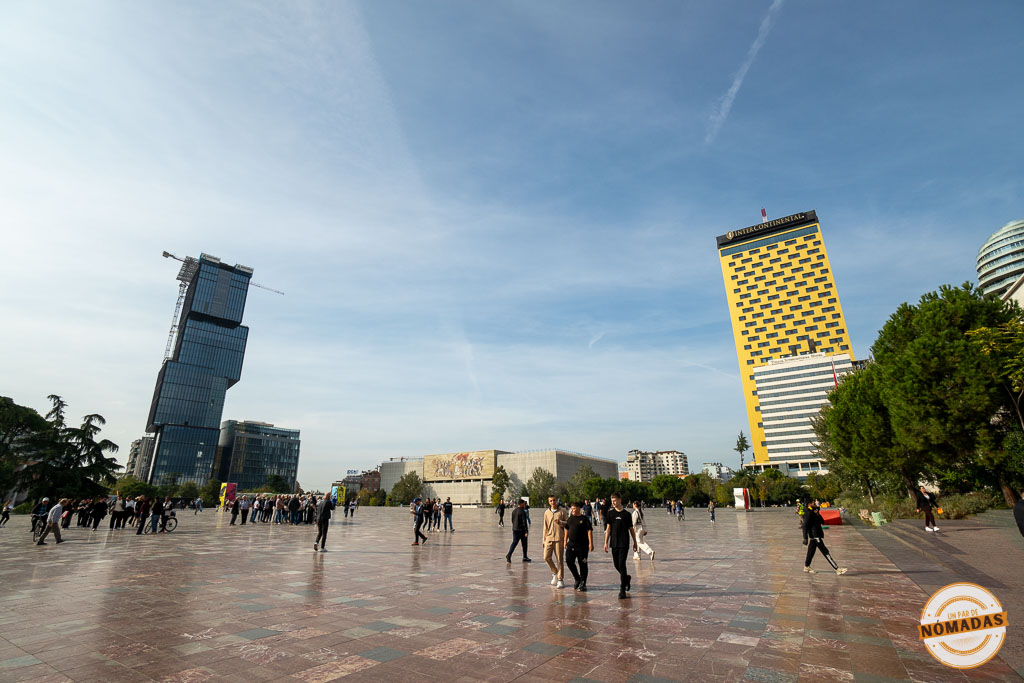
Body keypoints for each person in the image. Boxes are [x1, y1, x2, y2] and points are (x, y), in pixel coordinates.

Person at [603, 492, 638, 599]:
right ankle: (626, 578)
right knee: (616, 565)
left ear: (620, 500)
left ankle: (622, 589)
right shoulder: (610, 513)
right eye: (612, 501)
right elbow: (608, 529)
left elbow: (631, 529)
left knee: (622, 564)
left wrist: (635, 542)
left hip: (624, 543)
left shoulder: (626, 514)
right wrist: (606, 542)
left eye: (615, 500)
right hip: (614, 543)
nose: (613, 502)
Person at [803, 503, 847, 574]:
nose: (815, 504)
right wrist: (805, 537)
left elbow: (822, 522)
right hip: (815, 536)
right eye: (813, 503)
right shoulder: (809, 514)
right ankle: (837, 569)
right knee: (825, 552)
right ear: (809, 504)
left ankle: (806, 566)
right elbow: (804, 526)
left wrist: (818, 514)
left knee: (810, 552)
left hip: (815, 536)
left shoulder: (814, 513)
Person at [563, 501, 593, 591]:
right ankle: (577, 578)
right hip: (571, 543)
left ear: (579, 508)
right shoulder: (570, 518)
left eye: (574, 508)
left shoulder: (584, 519)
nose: (572, 510)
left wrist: (591, 543)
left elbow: (589, 531)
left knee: (582, 564)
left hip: (582, 545)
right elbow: (567, 530)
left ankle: (583, 583)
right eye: (571, 508)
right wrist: (565, 540)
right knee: (569, 561)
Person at [543, 495, 568, 588]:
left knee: (559, 559)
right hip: (549, 538)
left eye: (554, 500)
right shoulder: (546, 512)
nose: (553, 502)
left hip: (559, 538)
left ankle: (560, 579)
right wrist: (544, 539)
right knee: (546, 557)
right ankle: (555, 572)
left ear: (556, 501)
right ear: (549, 502)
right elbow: (545, 527)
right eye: (551, 501)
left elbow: (568, 523)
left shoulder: (562, 511)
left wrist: (560, 522)